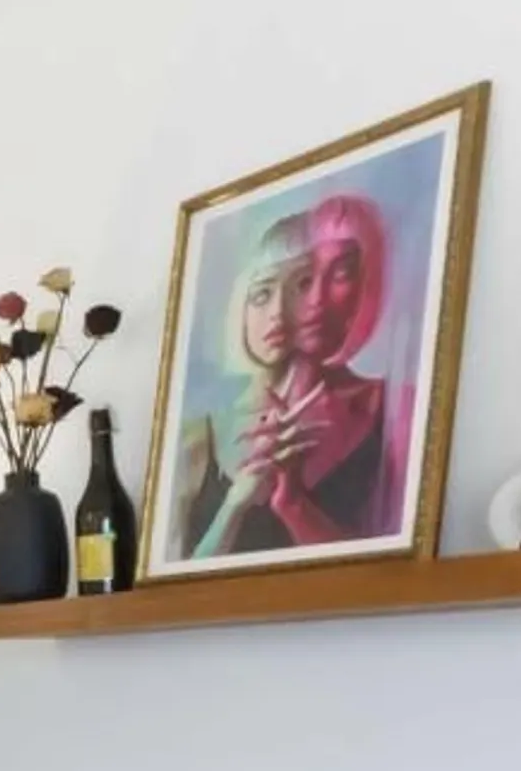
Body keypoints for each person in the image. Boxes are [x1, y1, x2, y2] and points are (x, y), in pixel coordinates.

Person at [171, 192, 399, 558]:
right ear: (240, 305)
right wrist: (236, 502)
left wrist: (291, 503)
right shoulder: (196, 437)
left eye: (300, 286)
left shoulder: (384, 407)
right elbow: (174, 585)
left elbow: (380, 575)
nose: (279, 312)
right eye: (262, 294)